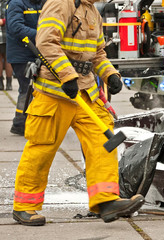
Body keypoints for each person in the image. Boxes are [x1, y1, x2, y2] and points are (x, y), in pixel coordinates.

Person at [12, 0, 144, 226]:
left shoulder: (92, 11)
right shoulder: (60, 3)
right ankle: (24, 206)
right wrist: (66, 75)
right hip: (55, 93)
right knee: (42, 148)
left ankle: (106, 201)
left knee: (103, 142)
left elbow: (98, 53)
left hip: (86, 92)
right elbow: (46, 42)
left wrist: (110, 74)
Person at [6, 0, 45, 135]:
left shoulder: (40, 3)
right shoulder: (16, 3)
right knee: (27, 88)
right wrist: (43, 33)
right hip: (21, 55)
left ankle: (25, 121)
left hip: (35, 52)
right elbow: (16, 28)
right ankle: (20, 123)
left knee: (34, 89)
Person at [0, 0, 12, 91]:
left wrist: (3, 21)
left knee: (7, 59)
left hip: (7, 35)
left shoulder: (9, 3)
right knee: (6, 59)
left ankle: (8, 83)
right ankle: (3, 83)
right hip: (6, 35)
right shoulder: (9, 3)